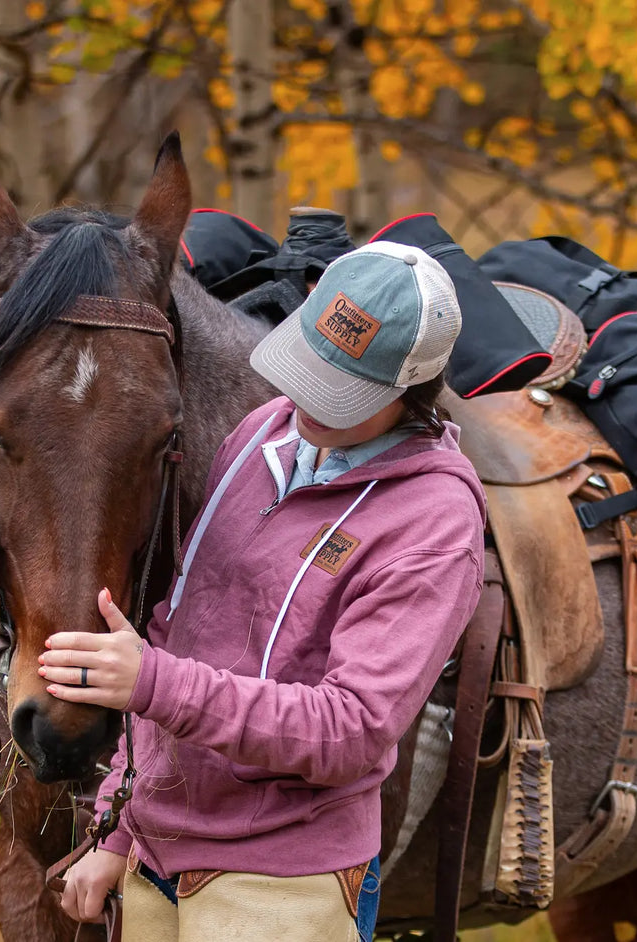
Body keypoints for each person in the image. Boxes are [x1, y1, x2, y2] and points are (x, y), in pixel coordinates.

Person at [40, 241, 486, 941]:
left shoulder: (433, 521)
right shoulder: (259, 435)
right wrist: (116, 833)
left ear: (410, 388)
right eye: (307, 369)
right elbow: (170, 633)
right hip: (157, 857)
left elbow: (352, 730)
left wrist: (152, 682)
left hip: (282, 880)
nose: (306, 398)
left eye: (340, 391)